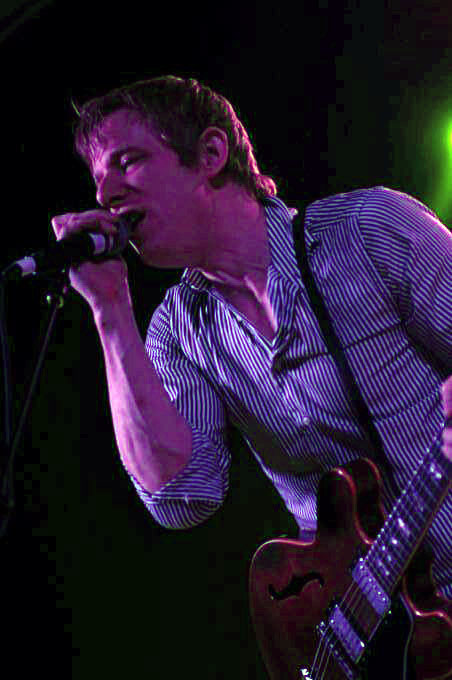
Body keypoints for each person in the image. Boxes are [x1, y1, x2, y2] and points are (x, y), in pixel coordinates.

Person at [51, 76, 452, 602]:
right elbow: (182, 498)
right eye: (98, 180)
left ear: (211, 154)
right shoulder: (178, 331)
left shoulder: (369, 229)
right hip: (370, 625)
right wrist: (110, 311)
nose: (105, 195)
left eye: (127, 162)